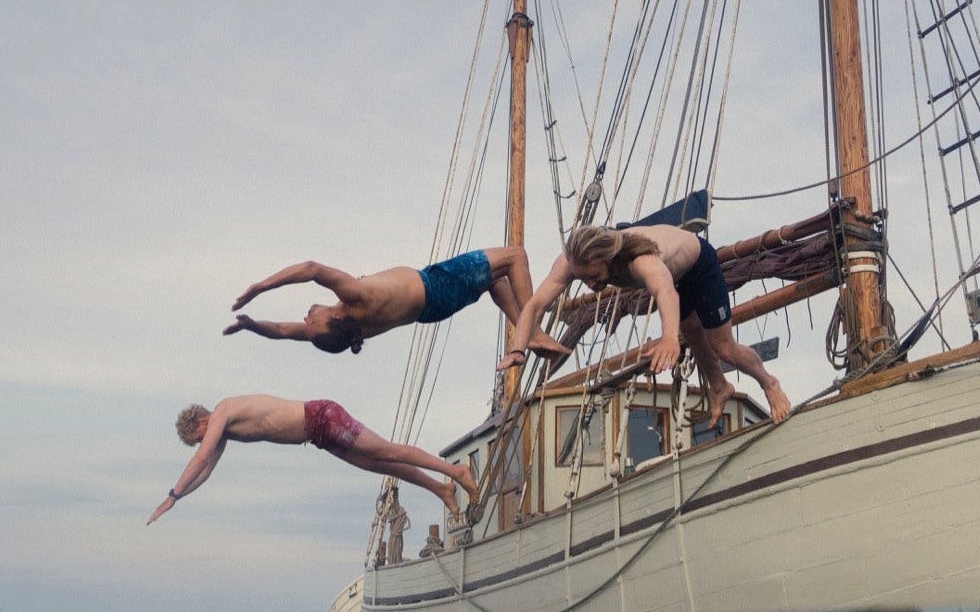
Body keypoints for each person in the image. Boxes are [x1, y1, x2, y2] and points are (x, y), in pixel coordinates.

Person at [502, 223, 791, 423]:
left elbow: (664, 290)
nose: (590, 284)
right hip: (674, 275)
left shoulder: (639, 260)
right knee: (691, 330)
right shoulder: (571, 263)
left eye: (594, 276)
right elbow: (536, 305)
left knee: (723, 347)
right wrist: (518, 349)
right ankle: (720, 387)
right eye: (582, 278)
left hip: (698, 266)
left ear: (609, 258)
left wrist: (668, 339)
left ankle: (769, 383)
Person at [146, 395, 478, 526]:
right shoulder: (223, 432)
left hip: (321, 417)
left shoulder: (221, 413)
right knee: (379, 464)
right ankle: (442, 489)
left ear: (200, 423)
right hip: (318, 435)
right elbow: (205, 471)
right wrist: (177, 500)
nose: (202, 444)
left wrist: (171, 495)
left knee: (385, 451)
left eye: (198, 438)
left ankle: (455, 470)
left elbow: (201, 456)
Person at [224, 247, 565, 357]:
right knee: (515, 256)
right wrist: (261, 286)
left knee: (497, 280)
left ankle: (527, 328)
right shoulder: (355, 299)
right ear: (333, 317)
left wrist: (254, 326)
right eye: (312, 319)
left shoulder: (355, 331)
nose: (307, 315)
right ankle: (532, 329)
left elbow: (284, 331)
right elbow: (312, 269)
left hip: (432, 310)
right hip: (436, 284)